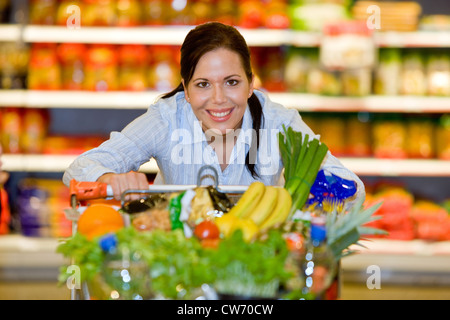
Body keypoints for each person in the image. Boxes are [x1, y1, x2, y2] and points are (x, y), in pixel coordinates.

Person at [63, 21, 365, 204]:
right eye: (203, 84)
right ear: (186, 88)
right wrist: (110, 178)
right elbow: (80, 168)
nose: (218, 99)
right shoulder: (168, 118)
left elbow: (354, 190)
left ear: (250, 84)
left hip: (257, 267)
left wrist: (310, 193)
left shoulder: (279, 122)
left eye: (231, 82)